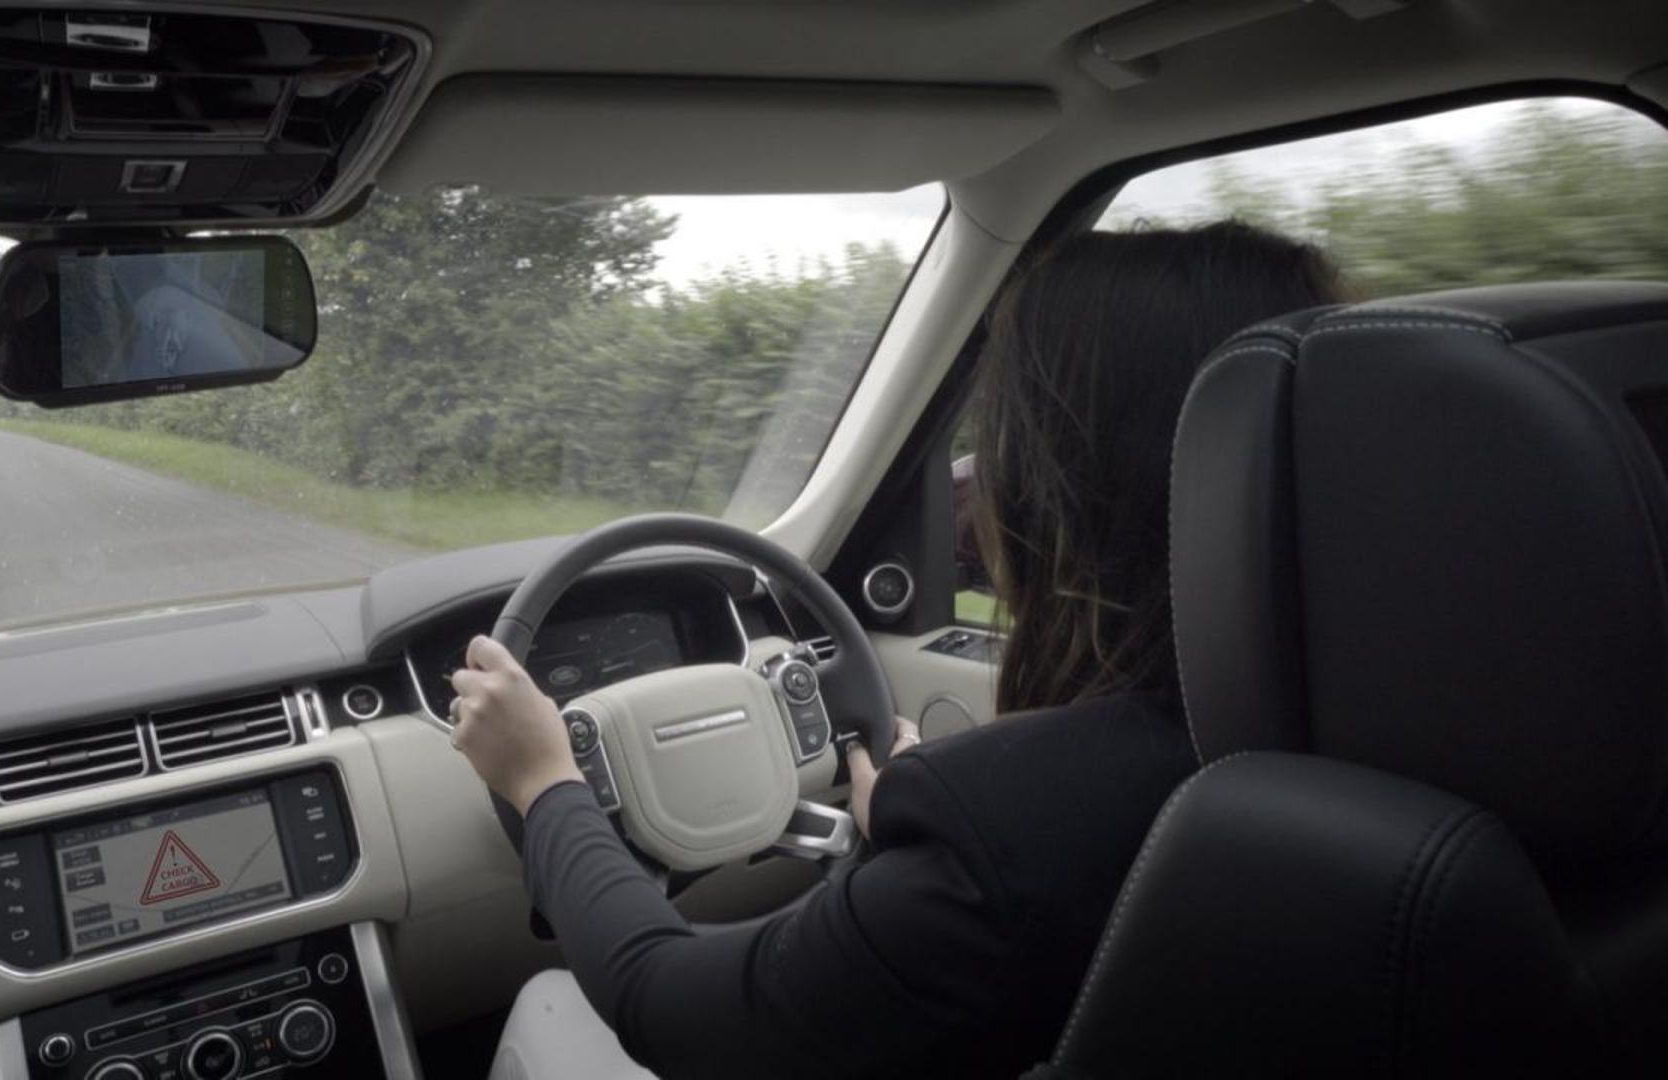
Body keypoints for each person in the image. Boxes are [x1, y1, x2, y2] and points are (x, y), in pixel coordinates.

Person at [449, 220, 1349, 1079]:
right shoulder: (1374, 725)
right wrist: (909, 854)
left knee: (548, 1004)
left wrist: (545, 781)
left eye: (993, 444)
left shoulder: (1007, 825)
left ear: (1058, 488)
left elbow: (669, 1009)